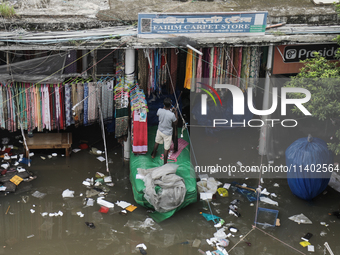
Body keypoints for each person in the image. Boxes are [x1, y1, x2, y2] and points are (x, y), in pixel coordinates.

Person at [151, 97, 178, 164]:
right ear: (171, 104)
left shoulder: (160, 110)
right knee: (166, 148)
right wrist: (176, 113)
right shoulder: (172, 115)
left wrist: (166, 110)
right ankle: (165, 163)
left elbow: (159, 114)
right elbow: (175, 123)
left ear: (163, 104)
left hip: (160, 130)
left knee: (157, 142)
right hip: (167, 133)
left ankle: (153, 154)